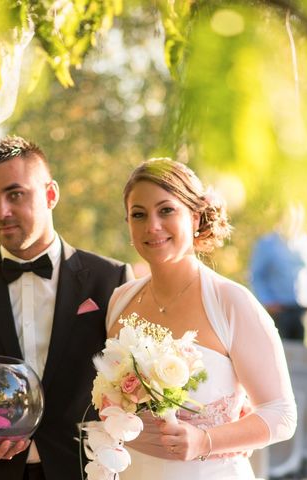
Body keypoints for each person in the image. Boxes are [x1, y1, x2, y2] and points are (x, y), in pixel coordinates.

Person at [0, 136, 134, 480]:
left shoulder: (110, 279)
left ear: (50, 194)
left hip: (84, 472)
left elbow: (129, 385)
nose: (1, 212)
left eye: (15, 195)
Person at [106, 158, 297, 479]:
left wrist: (205, 440)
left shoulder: (231, 302)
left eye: (166, 210)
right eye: (139, 214)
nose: (152, 225)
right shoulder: (120, 300)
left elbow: (282, 415)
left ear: (195, 218)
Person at [249, 203, 307, 340]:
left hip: (304, 311)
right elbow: (257, 275)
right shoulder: (267, 244)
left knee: (302, 357)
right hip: (278, 310)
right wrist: (268, 301)